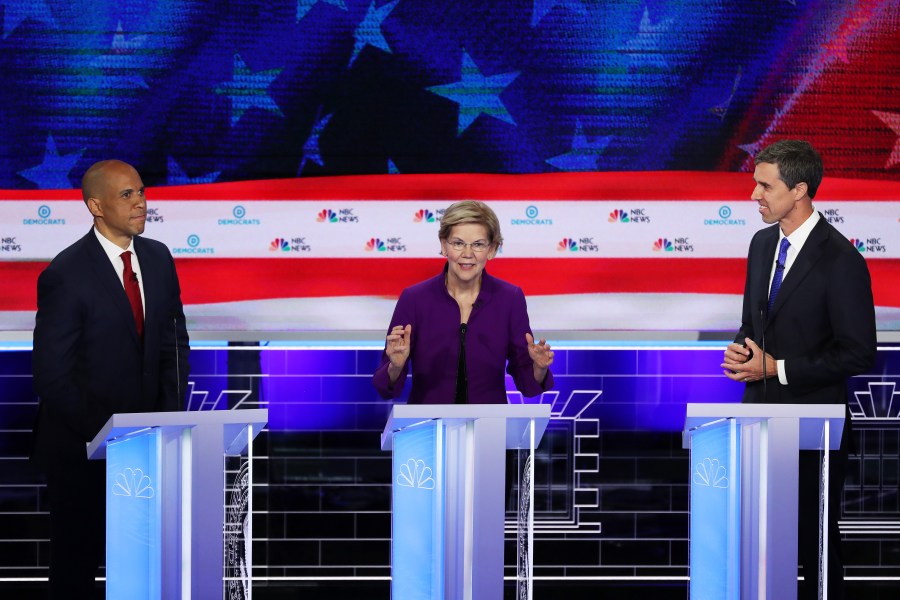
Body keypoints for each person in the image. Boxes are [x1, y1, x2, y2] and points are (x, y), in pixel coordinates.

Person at [721, 140, 876, 600]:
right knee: (759, 542)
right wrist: (740, 352)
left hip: (816, 428)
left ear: (800, 189)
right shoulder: (761, 243)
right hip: (757, 420)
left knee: (814, 543)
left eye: (766, 185)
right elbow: (754, 323)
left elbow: (858, 354)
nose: (754, 194)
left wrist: (778, 368)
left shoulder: (841, 261)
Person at [31, 159, 190, 599]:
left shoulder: (158, 258)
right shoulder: (65, 274)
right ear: (95, 206)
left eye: (141, 191)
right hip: (82, 448)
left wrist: (166, 420)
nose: (140, 202)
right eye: (127, 195)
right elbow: (52, 374)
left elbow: (173, 344)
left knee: (146, 562)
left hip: (149, 445)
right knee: (76, 564)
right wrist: (113, 434)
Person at [373, 200, 554, 403]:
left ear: (492, 249)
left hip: (488, 427)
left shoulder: (510, 299)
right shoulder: (414, 299)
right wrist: (396, 366)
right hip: (428, 427)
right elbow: (385, 388)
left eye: (478, 244)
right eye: (458, 243)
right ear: (444, 246)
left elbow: (528, 385)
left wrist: (538, 368)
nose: (467, 254)